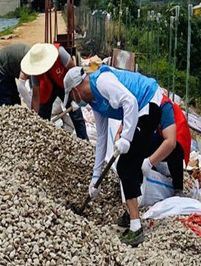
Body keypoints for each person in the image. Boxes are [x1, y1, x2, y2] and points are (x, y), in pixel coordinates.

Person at [63, 64, 164, 246]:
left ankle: (135, 228)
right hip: (138, 109)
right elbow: (102, 138)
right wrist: (95, 177)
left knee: (125, 165)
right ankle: (132, 212)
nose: (74, 100)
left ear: (76, 89)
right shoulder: (95, 103)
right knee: (132, 162)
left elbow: (130, 102)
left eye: (71, 95)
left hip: (148, 101)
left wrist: (126, 138)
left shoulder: (102, 82)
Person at [21, 42, 87, 140]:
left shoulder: (60, 53)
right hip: (47, 87)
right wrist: (34, 117)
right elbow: (36, 97)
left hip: (65, 84)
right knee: (42, 117)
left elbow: (74, 72)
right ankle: (43, 141)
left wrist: (76, 96)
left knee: (76, 115)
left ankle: (84, 141)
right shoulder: (35, 72)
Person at [0, 42, 32, 107]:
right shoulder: (29, 62)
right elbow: (21, 86)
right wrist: (30, 105)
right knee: (6, 103)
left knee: (15, 100)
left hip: (10, 69)